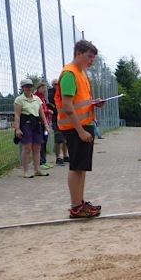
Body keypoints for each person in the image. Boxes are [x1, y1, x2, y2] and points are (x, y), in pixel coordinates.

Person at [55, 40, 104, 218]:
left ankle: (80, 202)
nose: (91, 61)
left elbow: (79, 102)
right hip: (76, 128)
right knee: (76, 168)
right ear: (78, 53)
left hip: (85, 125)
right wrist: (80, 131)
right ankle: (76, 206)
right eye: (89, 57)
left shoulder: (81, 74)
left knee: (81, 167)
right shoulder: (70, 73)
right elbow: (67, 106)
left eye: (93, 58)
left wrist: (94, 103)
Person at [14, 79, 50, 178]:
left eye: (30, 86)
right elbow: (17, 115)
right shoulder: (19, 100)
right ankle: (25, 171)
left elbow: (41, 114)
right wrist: (17, 129)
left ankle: (37, 170)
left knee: (37, 148)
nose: (28, 88)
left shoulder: (37, 99)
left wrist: (46, 125)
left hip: (36, 124)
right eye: (26, 86)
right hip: (25, 124)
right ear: (22, 88)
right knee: (27, 148)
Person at [49, 79, 69, 165]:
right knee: (58, 139)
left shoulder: (62, 92)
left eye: (58, 84)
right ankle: (58, 157)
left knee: (65, 139)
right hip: (56, 119)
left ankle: (65, 156)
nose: (57, 86)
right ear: (52, 85)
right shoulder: (51, 93)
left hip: (65, 118)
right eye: (55, 84)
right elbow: (52, 101)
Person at [34, 81, 54, 168]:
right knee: (41, 142)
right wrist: (47, 111)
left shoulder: (43, 97)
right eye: (42, 88)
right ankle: (40, 162)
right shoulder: (36, 97)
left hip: (46, 122)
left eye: (45, 88)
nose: (44, 90)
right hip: (40, 122)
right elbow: (39, 109)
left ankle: (44, 160)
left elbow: (44, 106)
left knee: (44, 141)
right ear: (38, 88)